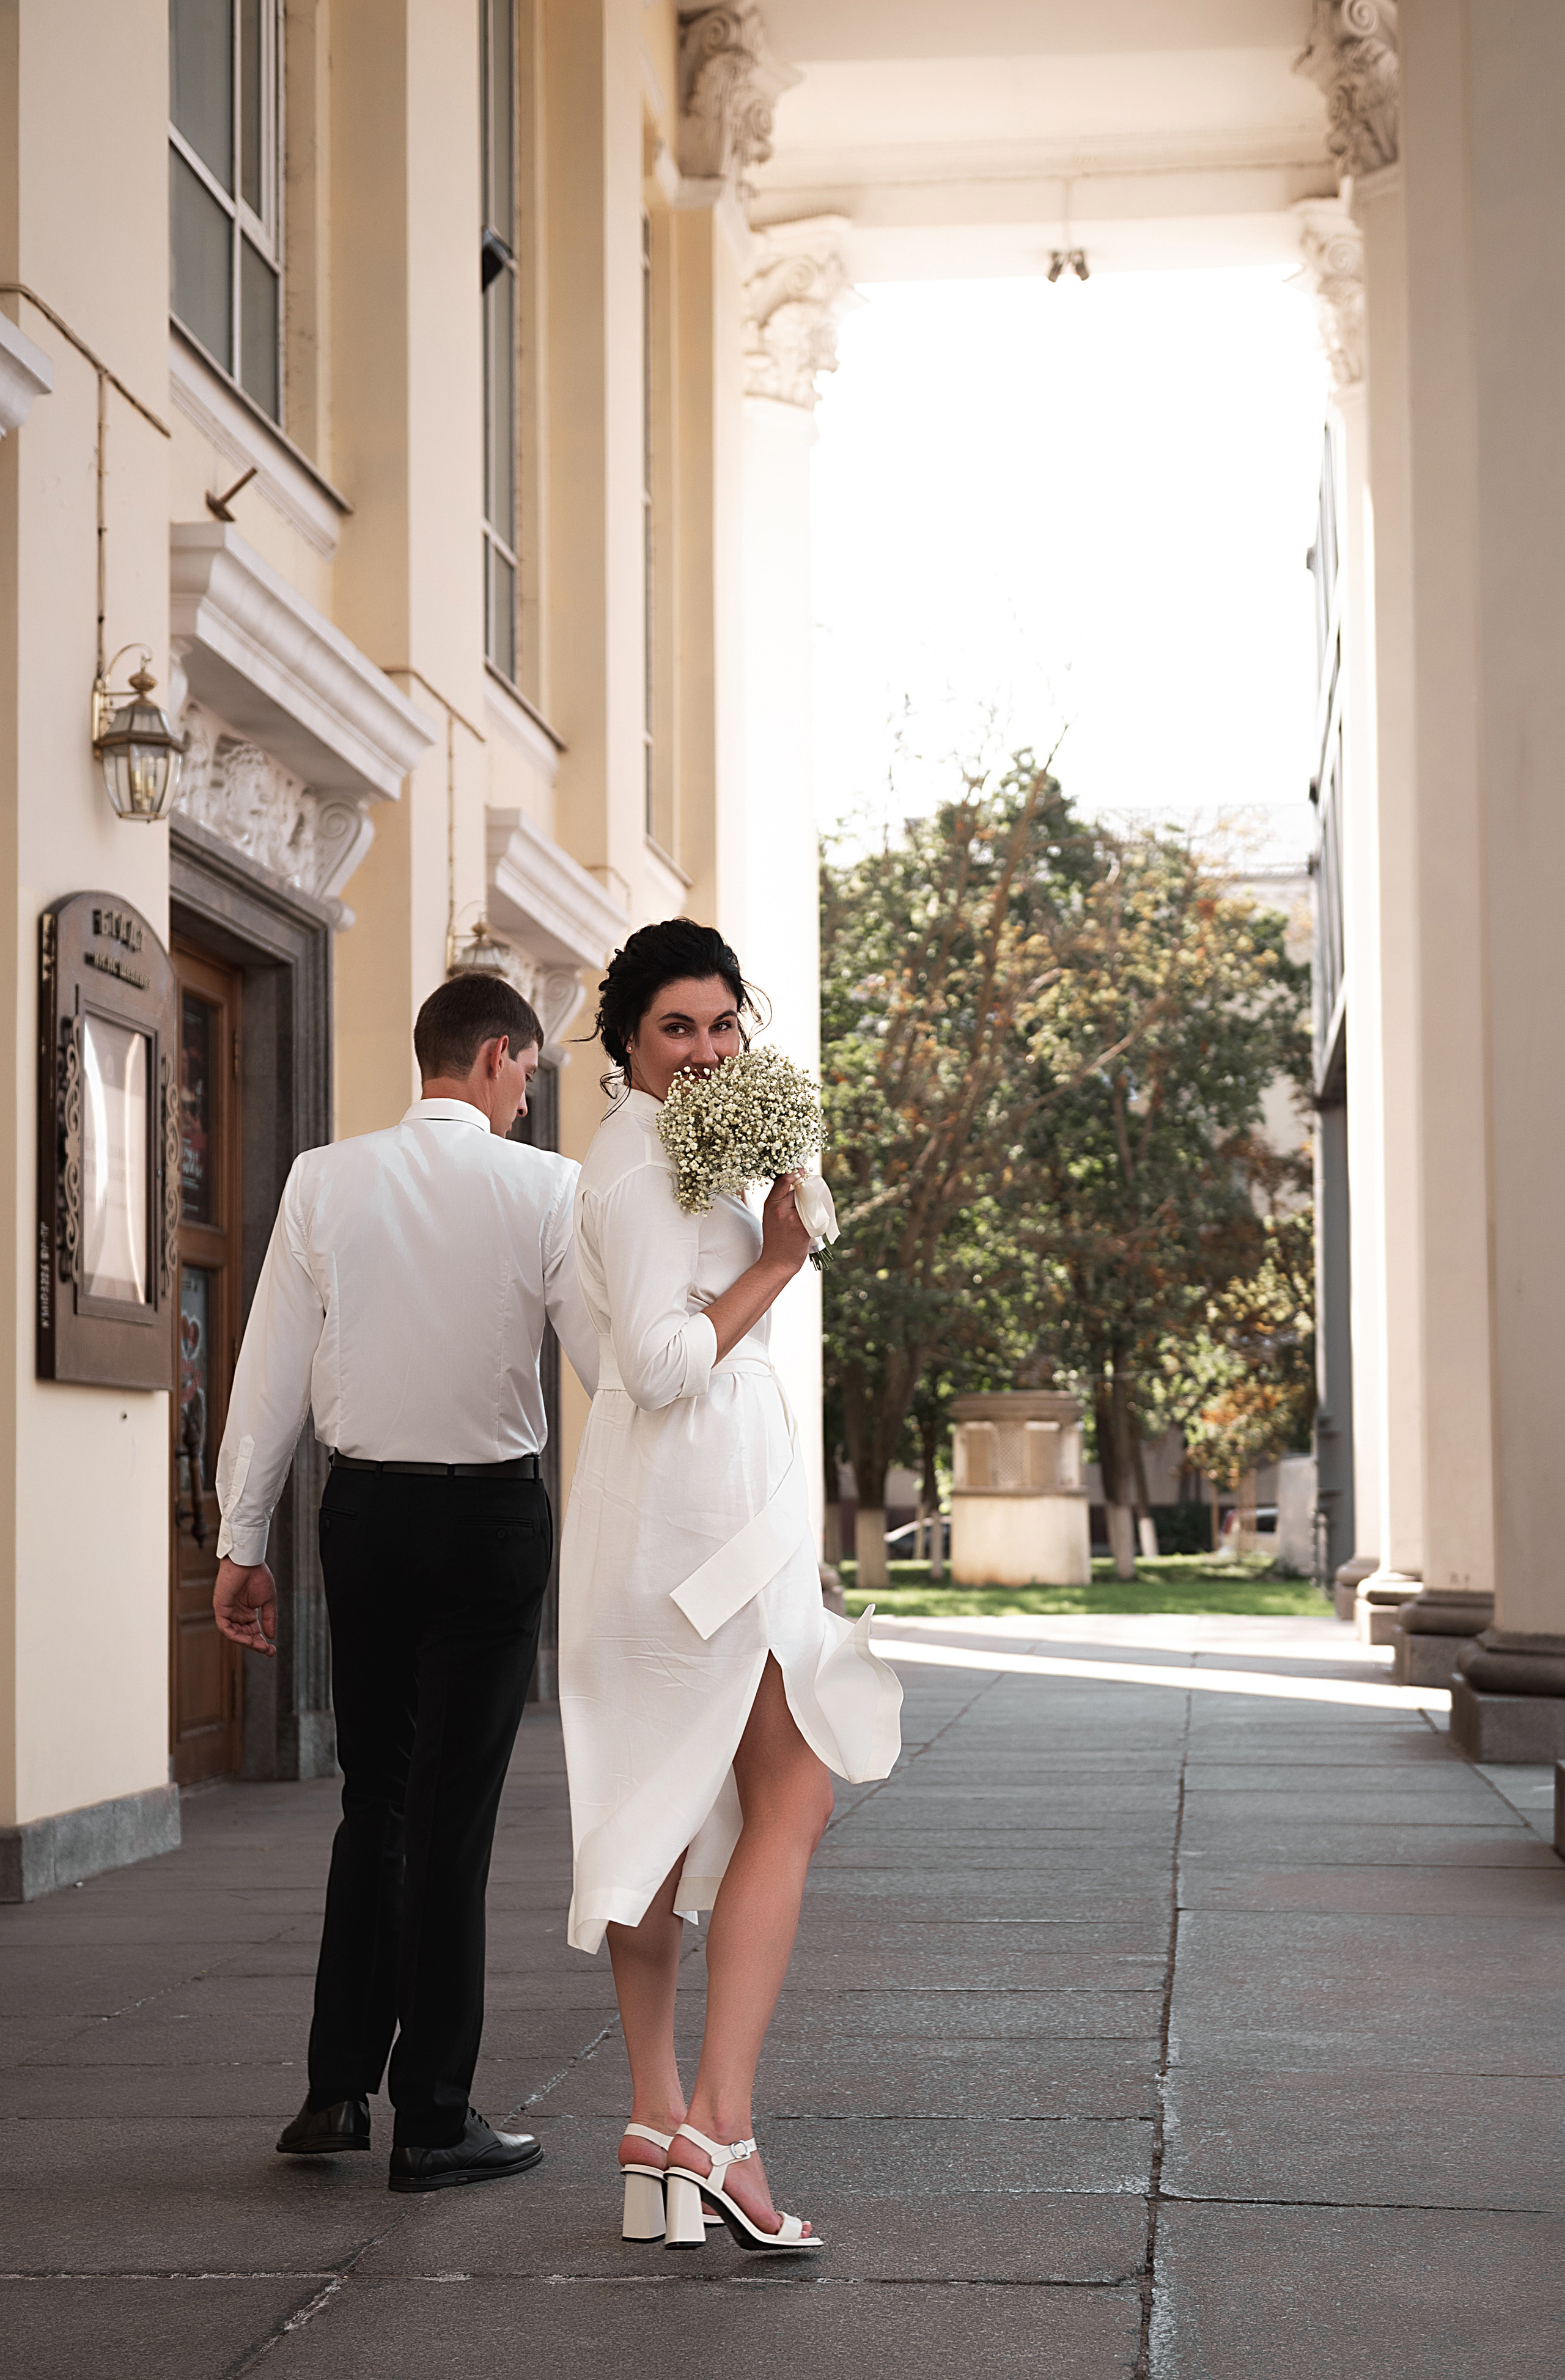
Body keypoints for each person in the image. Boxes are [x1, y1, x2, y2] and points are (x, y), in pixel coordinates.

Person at [210, 972, 597, 2194]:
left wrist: (241, 1537)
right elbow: (604, 1361)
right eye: (529, 1069)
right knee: (451, 1818)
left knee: (373, 1798)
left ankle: (333, 2096)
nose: (530, 1093)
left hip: (361, 1516)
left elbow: (273, 1362)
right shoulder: (546, 1188)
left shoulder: (324, 1177)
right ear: (493, 1056)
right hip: (488, 1522)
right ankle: (435, 2116)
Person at [559, 919, 903, 2255]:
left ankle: (657, 2123)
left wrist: (768, 1220)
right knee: (793, 1792)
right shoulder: (640, 1158)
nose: (702, 1051)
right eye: (673, 1031)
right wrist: (772, 1264)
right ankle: (722, 2125)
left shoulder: (649, 1149)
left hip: (681, 1506)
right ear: (627, 1045)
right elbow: (649, 1360)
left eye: (719, 1025)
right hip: (699, 1518)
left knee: (658, 1802)